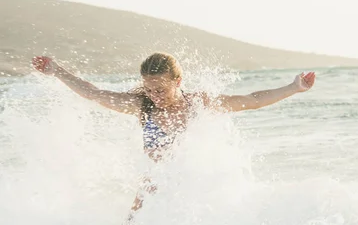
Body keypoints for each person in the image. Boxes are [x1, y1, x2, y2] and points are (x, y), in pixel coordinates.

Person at [32, 52, 315, 213]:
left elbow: (251, 100)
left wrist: (294, 88)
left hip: (194, 188)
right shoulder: (142, 106)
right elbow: (94, 93)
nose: (154, 95)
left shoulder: (198, 104)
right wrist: (57, 70)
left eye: (161, 89)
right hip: (152, 187)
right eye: (149, 89)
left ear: (178, 81)